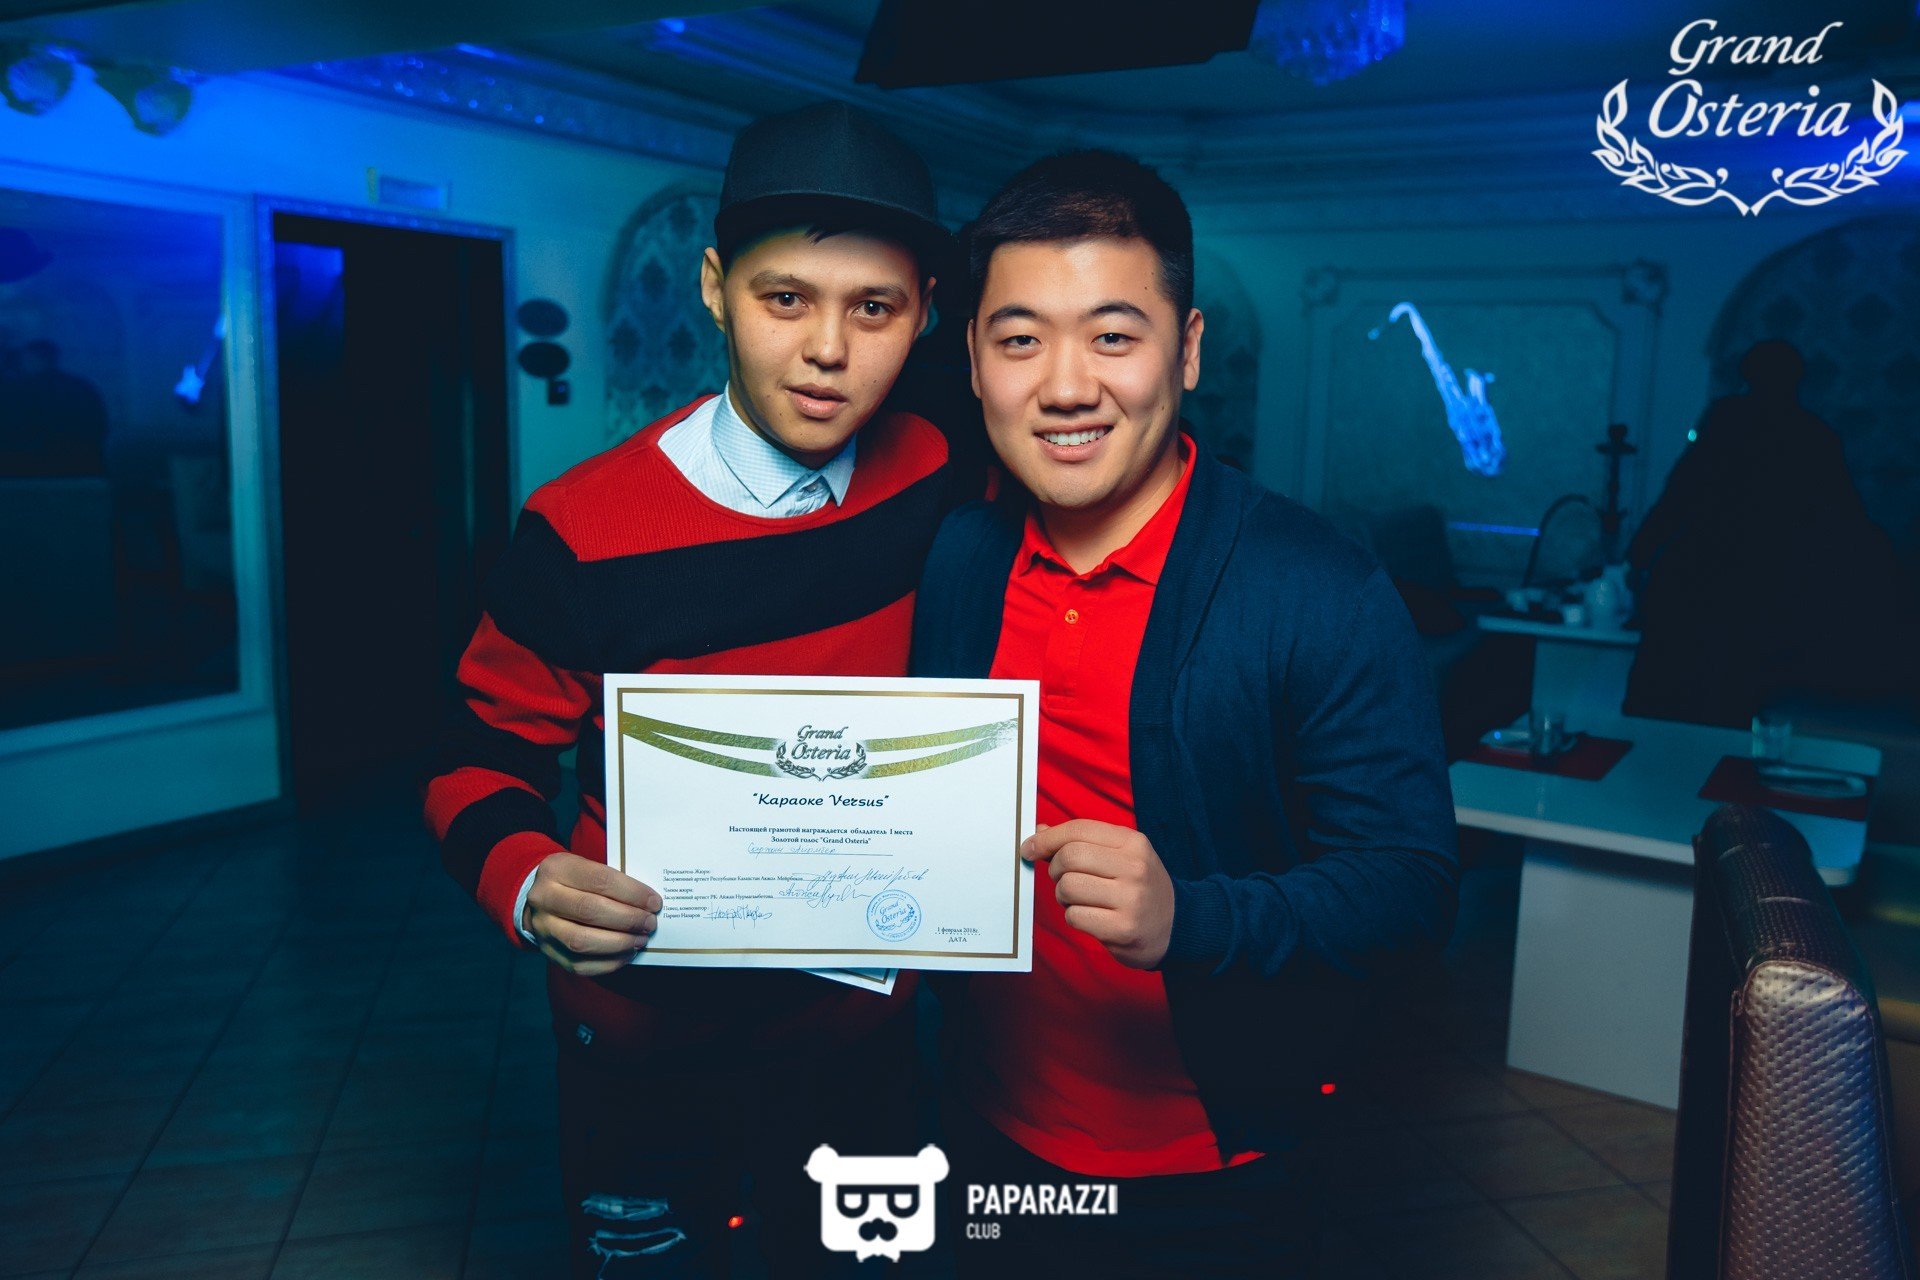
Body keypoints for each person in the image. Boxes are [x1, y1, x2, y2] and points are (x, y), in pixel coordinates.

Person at [424, 101, 959, 1278]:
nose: (828, 349)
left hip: (862, 1031)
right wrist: (529, 878)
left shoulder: (939, 476)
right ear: (717, 288)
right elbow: (471, 756)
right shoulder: (578, 529)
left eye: (873, 307)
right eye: (787, 298)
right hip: (642, 1041)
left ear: (923, 312)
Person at [911, 151, 1459, 1277]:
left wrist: (1193, 918)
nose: (1066, 386)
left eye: (1114, 336)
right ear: (972, 358)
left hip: (1217, 1165)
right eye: (1020, 340)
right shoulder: (962, 555)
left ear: (1189, 348)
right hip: (981, 1127)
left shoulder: (1318, 588)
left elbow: (1411, 887)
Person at [1625, 339, 1920, 726]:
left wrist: (1639, 554)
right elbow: (1846, 517)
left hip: (1706, 578)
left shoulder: (1727, 419)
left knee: (1668, 701)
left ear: (1747, 376)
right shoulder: (1814, 435)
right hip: (1762, 587)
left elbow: (1679, 493)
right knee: (1726, 706)